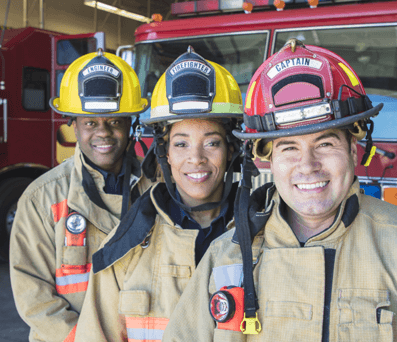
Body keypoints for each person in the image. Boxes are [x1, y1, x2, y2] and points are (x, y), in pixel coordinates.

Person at [162, 39, 397, 341]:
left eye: (325, 143)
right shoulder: (226, 255)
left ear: (354, 149)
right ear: (268, 159)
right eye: (288, 148)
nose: (308, 165)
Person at [72, 47, 244, 341]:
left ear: (232, 151)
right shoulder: (127, 244)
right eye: (181, 144)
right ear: (164, 154)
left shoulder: (262, 234)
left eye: (212, 143)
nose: (196, 158)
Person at [9, 49, 153, 342]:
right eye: (90, 123)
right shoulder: (41, 198)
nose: (103, 133)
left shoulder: (158, 190)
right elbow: (33, 294)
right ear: (72, 125)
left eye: (114, 122)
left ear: (131, 124)